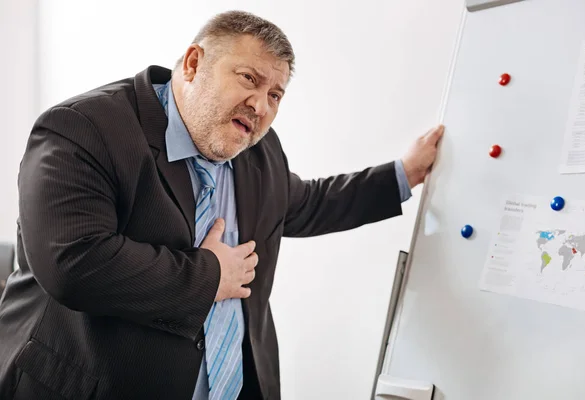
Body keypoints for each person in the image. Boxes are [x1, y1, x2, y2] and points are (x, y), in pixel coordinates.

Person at [0, 10, 443, 400]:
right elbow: (74, 263)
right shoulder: (83, 128)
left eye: (276, 95)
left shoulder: (258, 151)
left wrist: (405, 173)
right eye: (249, 78)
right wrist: (212, 275)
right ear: (194, 64)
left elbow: (305, 203)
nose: (260, 106)